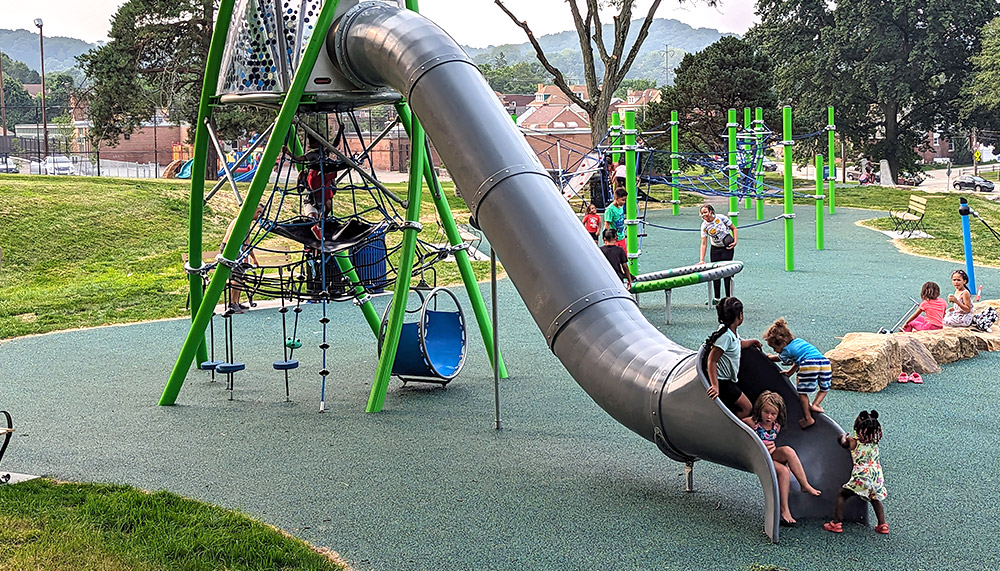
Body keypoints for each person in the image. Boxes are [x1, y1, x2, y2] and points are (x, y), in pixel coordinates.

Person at [742, 391, 822, 526]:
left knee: (788, 451)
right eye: (765, 412)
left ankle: (804, 484)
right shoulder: (752, 423)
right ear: (759, 409)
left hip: (771, 455)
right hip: (759, 457)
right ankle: (784, 509)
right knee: (784, 471)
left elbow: (772, 443)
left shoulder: (776, 425)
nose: (769, 416)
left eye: (773, 414)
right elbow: (736, 426)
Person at [824, 410, 889, 534]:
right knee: (875, 498)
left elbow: (843, 443)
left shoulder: (853, 441)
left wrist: (842, 437)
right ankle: (882, 525)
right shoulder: (875, 443)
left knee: (843, 494)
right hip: (876, 477)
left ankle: (836, 523)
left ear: (857, 427)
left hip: (861, 476)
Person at [762, 318, 832, 429]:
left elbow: (777, 358)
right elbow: (799, 360)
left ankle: (808, 418)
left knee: (802, 394)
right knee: (824, 388)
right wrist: (789, 373)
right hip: (824, 362)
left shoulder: (786, 350)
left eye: (775, 347)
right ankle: (816, 404)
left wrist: (769, 356)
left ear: (783, 343)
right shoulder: (799, 341)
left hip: (810, 364)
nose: (775, 350)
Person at [702, 297, 759, 419]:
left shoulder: (730, 332)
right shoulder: (725, 336)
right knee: (747, 408)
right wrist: (715, 385)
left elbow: (738, 344)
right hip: (722, 382)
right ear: (740, 316)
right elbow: (712, 360)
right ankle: (730, 429)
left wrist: (752, 342)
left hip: (729, 380)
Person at [220, 204, 263, 314]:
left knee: (240, 276)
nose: (260, 215)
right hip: (231, 249)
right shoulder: (240, 221)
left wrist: (253, 258)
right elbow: (233, 240)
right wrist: (239, 255)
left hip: (237, 250)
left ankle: (236, 302)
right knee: (236, 276)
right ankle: (233, 304)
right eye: (258, 212)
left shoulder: (247, 222)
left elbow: (247, 243)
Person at [698, 203, 737, 303]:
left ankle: (729, 298)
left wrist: (735, 241)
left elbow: (734, 228)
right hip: (715, 249)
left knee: (727, 273)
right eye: (701, 213)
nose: (703, 215)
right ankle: (717, 298)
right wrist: (702, 260)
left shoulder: (721, 218)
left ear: (711, 212)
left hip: (727, 248)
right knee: (715, 273)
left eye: (705, 212)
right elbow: (703, 243)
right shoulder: (704, 226)